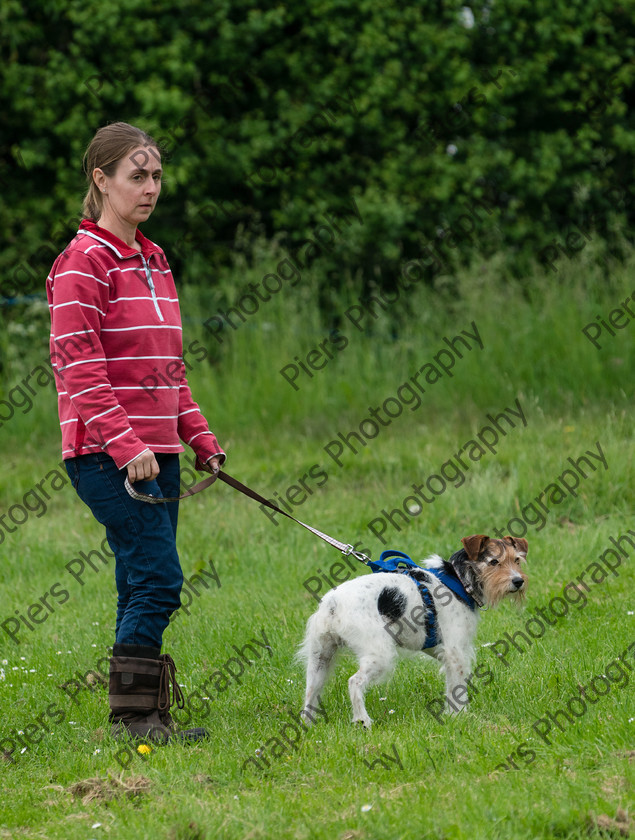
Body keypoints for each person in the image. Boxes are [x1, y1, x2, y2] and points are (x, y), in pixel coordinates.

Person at [47, 122, 225, 744]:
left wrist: (199, 437)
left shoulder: (153, 259)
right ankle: (135, 719)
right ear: (101, 181)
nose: (150, 188)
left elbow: (168, 369)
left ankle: (140, 714)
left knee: (137, 578)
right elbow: (79, 366)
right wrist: (127, 447)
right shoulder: (80, 264)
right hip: (107, 456)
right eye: (136, 176)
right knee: (159, 579)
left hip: (161, 455)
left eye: (155, 176)